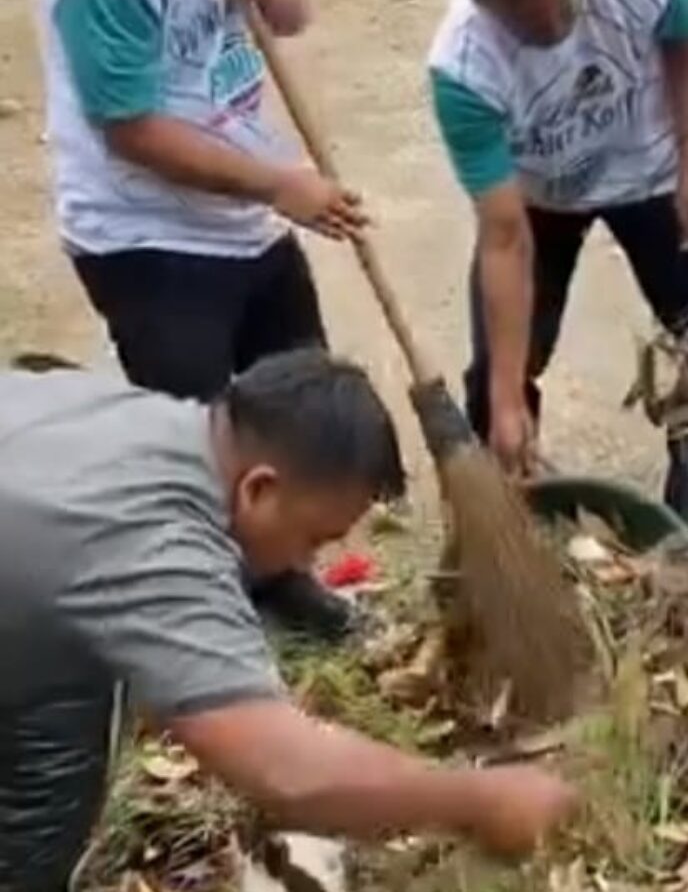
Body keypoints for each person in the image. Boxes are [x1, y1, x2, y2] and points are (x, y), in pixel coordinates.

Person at [0, 350, 576, 892]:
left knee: (74, 682)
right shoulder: (160, 547)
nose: (307, 565)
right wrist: (478, 800)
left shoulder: (140, 419)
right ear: (260, 489)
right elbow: (289, 774)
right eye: (312, 540)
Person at [32, 0, 366, 636]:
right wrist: (278, 186)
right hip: (148, 240)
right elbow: (132, 132)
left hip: (243, 223)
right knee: (198, 449)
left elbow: (293, 15)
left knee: (296, 417)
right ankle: (198, 615)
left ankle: (282, 578)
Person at [426, 0, 688, 606]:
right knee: (499, 374)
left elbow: (684, 45)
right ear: (483, 5)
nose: (550, 25)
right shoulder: (463, 69)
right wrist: (510, 394)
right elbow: (505, 237)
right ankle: (508, 538)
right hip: (539, 198)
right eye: (523, 17)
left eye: (559, 1)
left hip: (649, 167)